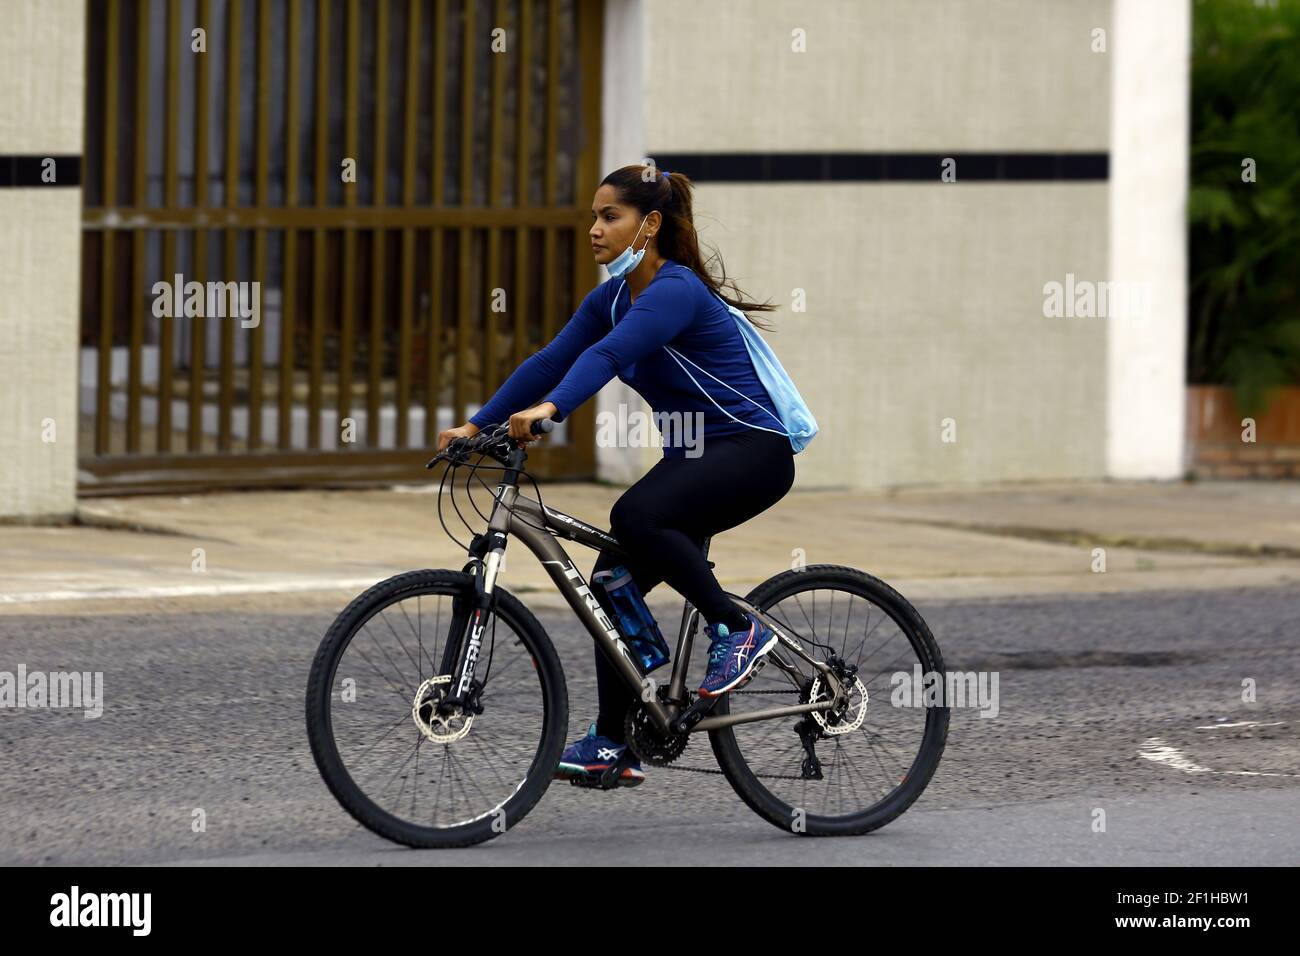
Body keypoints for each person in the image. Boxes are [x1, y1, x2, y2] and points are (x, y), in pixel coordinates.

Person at [436, 164, 806, 787]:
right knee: (612, 581)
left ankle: (738, 629)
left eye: (610, 217)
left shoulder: (675, 291)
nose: (594, 229)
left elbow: (606, 357)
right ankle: (613, 743)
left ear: (650, 224)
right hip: (695, 458)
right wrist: (476, 427)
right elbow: (551, 359)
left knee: (634, 515)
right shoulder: (610, 298)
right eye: (593, 216)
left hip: (752, 450)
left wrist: (552, 410)